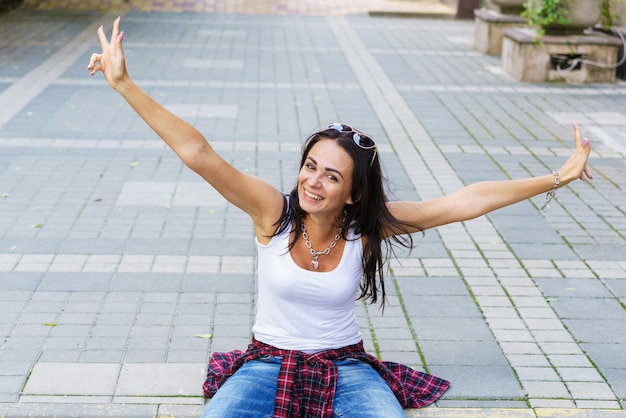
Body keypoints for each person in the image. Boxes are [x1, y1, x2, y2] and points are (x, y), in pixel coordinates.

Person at [88, 18, 593, 418]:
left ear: (353, 194)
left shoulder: (368, 228)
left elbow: (467, 201)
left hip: (346, 366)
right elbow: (200, 154)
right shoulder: (274, 214)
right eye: (310, 167)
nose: (312, 181)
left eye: (331, 176)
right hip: (267, 363)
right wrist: (124, 84)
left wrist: (556, 177)